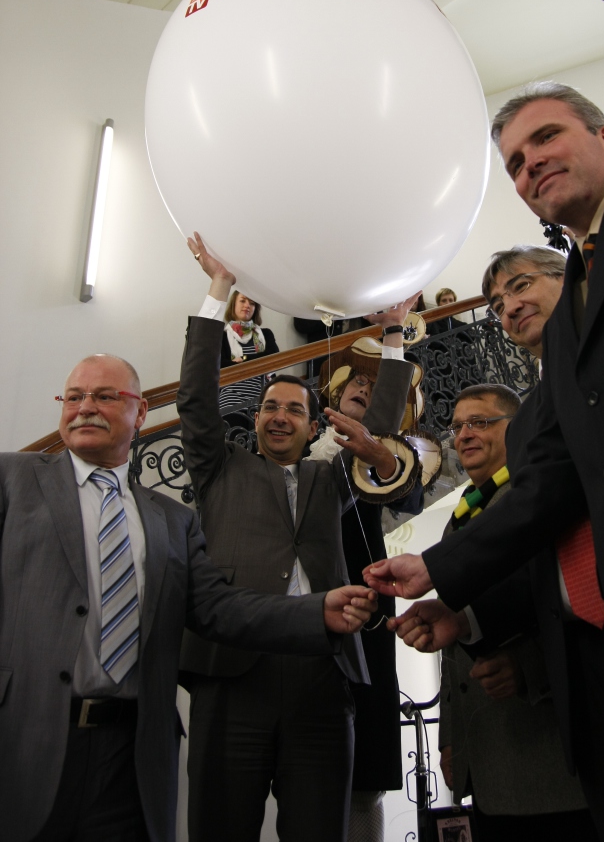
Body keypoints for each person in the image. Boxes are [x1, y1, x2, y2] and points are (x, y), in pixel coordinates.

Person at [364, 82, 604, 839]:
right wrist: (439, 571)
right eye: (516, 164)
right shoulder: (566, 335)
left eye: (546, 139)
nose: (531, 166)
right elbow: (549, 481)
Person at [0, 353, 377, 842]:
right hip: (27, 741)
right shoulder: (13, 480)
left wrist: (314, 611)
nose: (86, 407)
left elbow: (216, 606)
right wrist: (215, 296)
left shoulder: (169, 519)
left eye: (105, 396)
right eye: (74, 397)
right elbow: (198, 403)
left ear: (140, 414)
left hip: (133, 751)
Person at [179, 232, 420, 842]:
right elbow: (195, 400)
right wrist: (217, 291)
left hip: (321, 676)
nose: (280, 416)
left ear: (315, 426)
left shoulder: (327, 478)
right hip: (234, 674)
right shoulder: (218, 468)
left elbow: (381, 436)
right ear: (255, 420)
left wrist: (393, 334)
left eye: (294, 409)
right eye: (269, 407)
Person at [438, 383, 594, 841]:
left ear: (518, 428)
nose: (464, 434)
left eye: (480, 422)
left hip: (547, 759)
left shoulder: (541, 502)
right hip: (485, 766)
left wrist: (527, 666)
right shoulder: (461, 517)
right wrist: (453, 740)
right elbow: (454, 651)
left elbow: (575, 602)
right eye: (458, 426)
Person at [312, 338, 426, 842]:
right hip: (306, 619)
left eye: (372, 386)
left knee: (369, 769)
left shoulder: (373, 454)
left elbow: (411, 491)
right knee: (306, 769)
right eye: (355, 381)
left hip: (368, 618)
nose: (364, 386)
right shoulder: (296, 453)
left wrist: (396, 335)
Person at [218, 288, 279, 420]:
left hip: (263, 399)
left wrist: (243, 359)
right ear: (233, 304)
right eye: (243, 301)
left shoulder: (266, 334)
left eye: (252, 303)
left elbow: (273, 358)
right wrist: (257, 361)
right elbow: (220, 366)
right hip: (231, 401)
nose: (247, 305)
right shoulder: (222, 336)